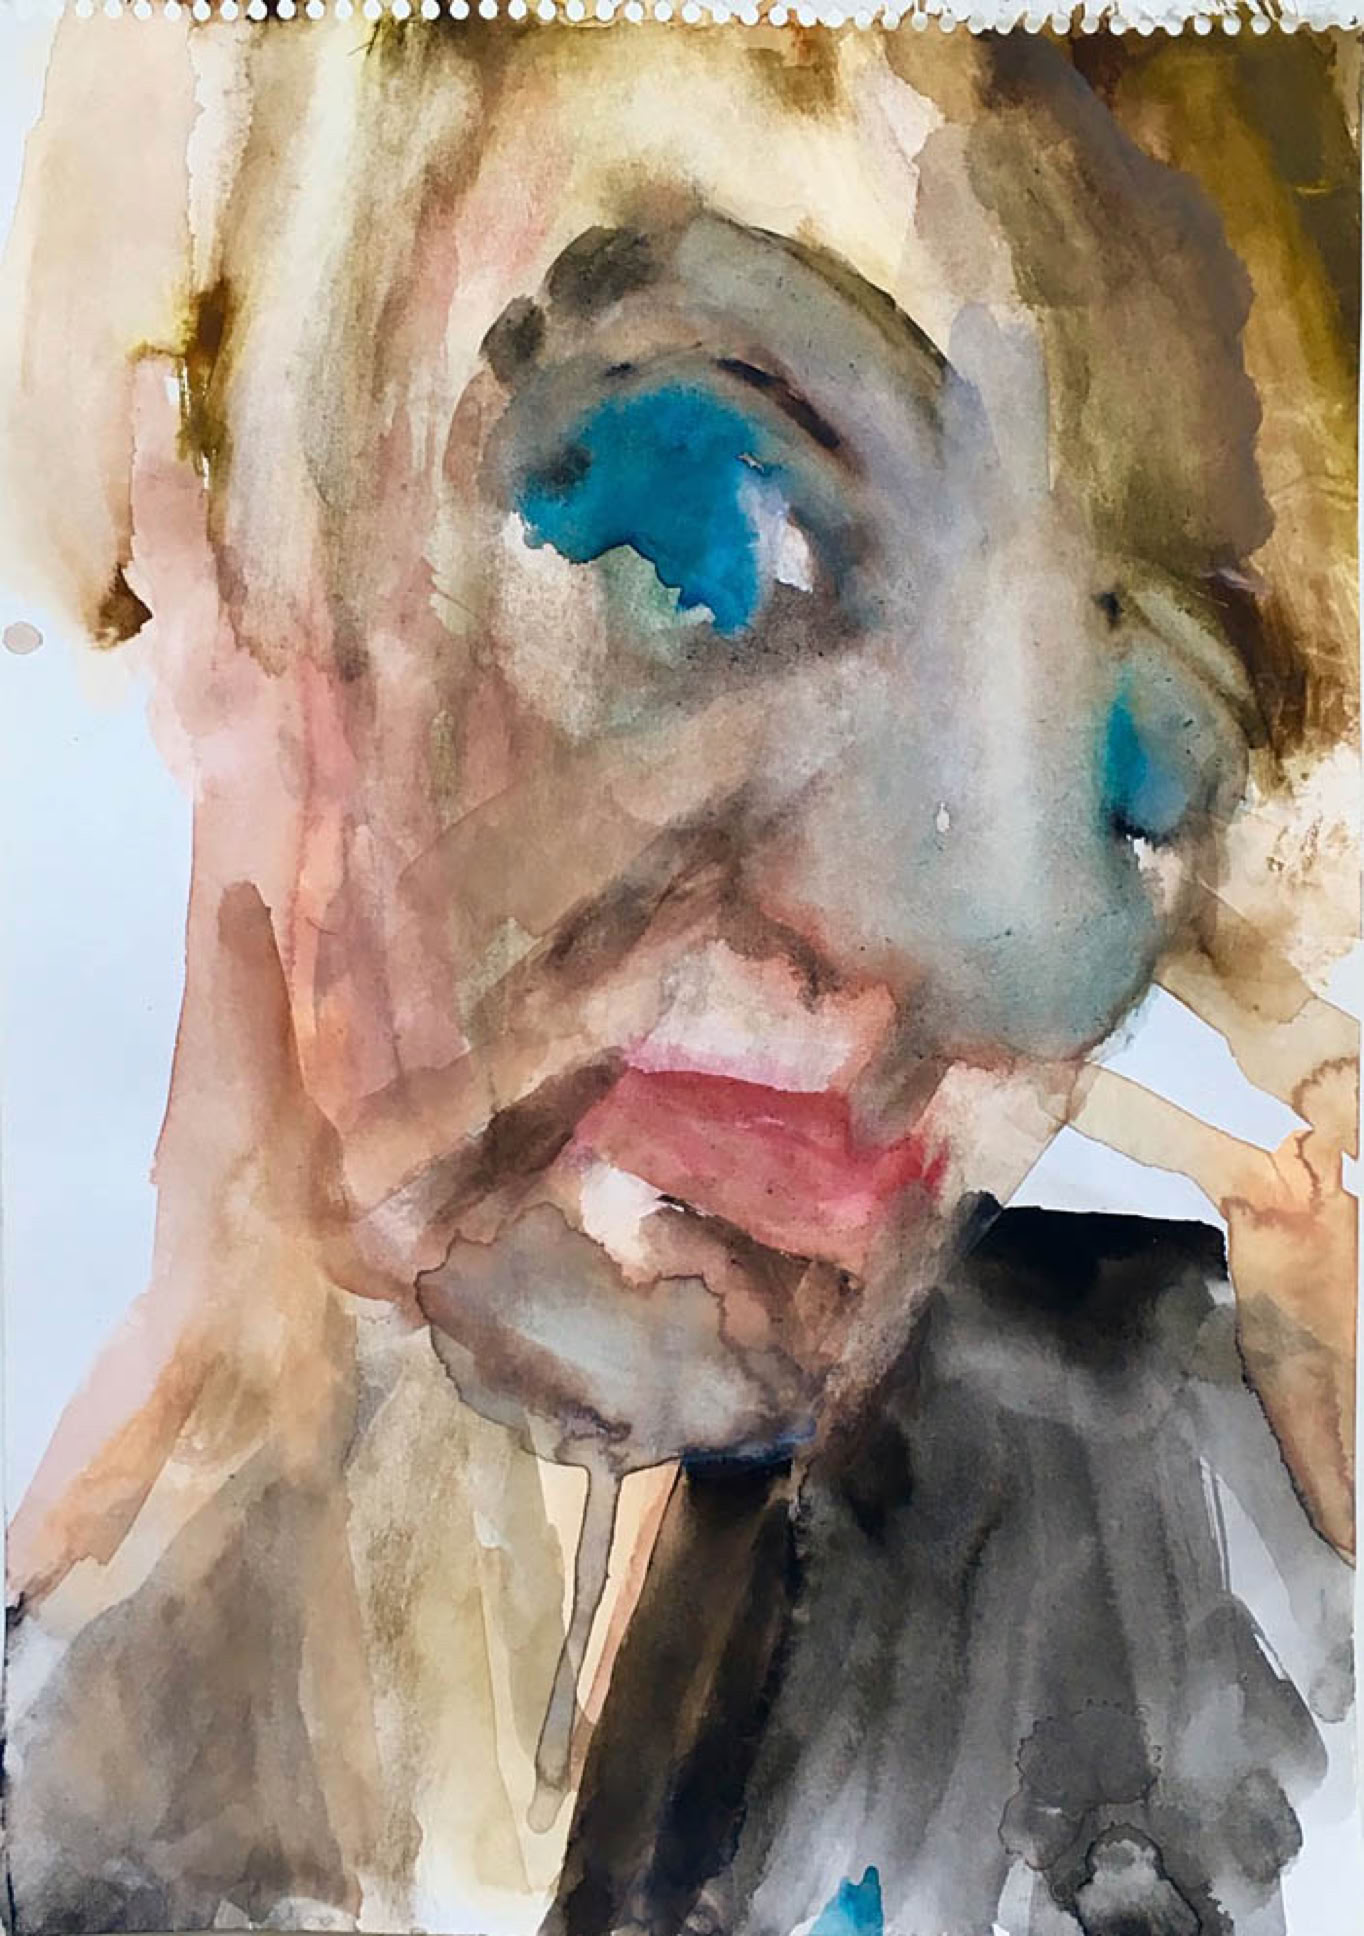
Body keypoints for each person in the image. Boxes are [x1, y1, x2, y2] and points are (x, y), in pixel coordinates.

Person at [1, 18, 1357, 1935]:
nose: (1006, 955)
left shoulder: (1193, 1563)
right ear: (212, 508)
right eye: (710, 532)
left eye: (1141, 771)